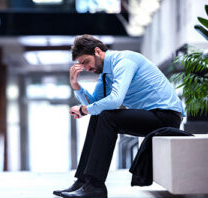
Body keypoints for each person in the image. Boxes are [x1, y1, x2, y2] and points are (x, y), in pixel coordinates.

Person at [53, 34, 185, 198]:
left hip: (166, 116)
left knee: (107, 116)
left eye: (85, 62)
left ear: (97, 51)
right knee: (100, 114)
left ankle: (95, 186)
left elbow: (115, 100)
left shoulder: (124, 61)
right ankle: (83, 181)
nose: (85, 68)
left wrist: (84, 109)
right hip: (149, 116)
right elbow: (95, 103)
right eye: (81, 65)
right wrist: (76, 86)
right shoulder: (105, 74)